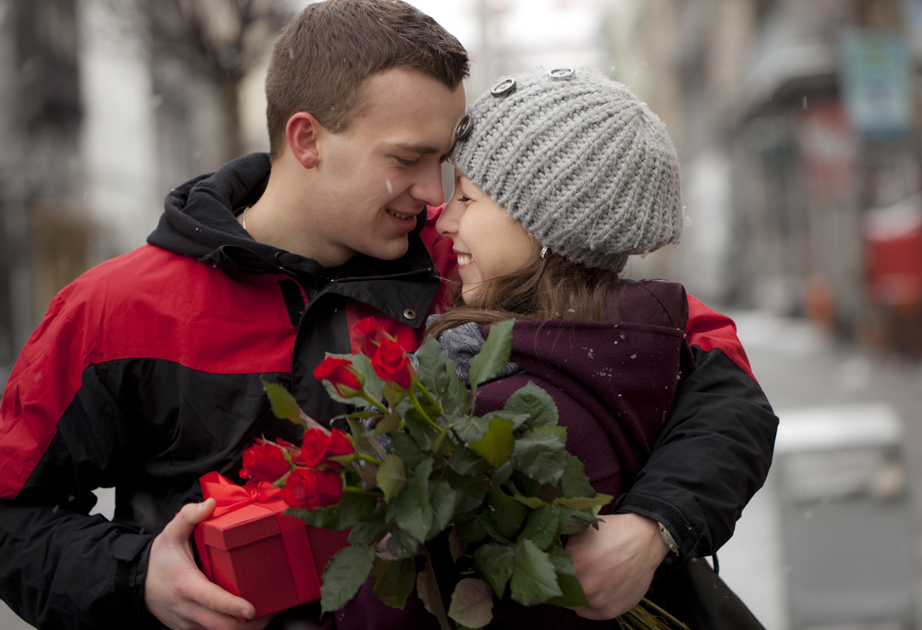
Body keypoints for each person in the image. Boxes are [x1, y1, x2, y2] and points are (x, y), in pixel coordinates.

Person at [0, 2, 776, 630]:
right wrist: (140, 580)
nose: (437, 197)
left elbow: (716, 379)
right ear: (307, 140)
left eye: (446, 164)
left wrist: (657, 525)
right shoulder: (114, 310)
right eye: (407, 161)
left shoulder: (476, 275)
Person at [327, 65, 758, 629]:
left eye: (466, 196)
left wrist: (657, 524)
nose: (442, 216)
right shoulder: (628, 335)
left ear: (546, 227)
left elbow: (388, 605)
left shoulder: (510, 407)